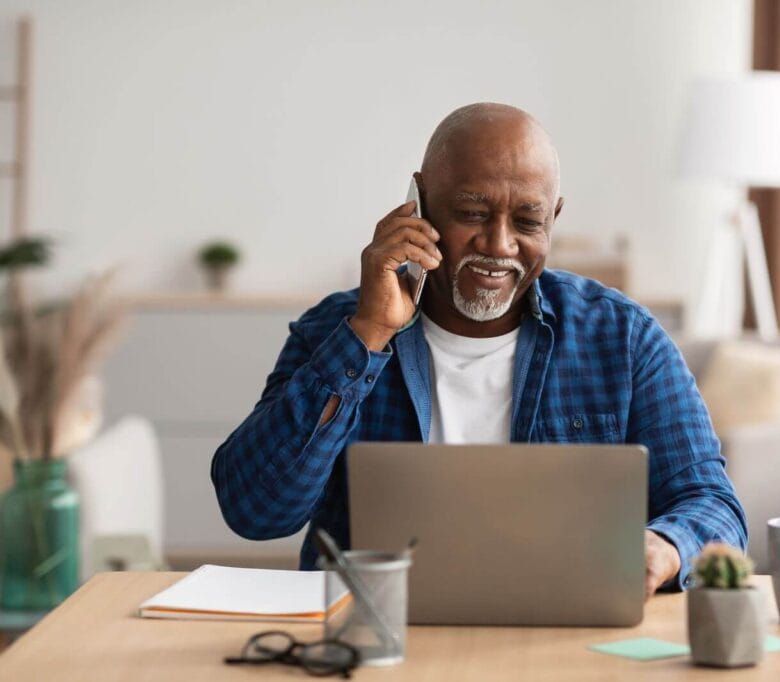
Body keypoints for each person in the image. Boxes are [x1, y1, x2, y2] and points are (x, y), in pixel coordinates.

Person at [211, 102, 747, 597]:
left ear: (553, 218)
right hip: (375, 635)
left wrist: (666, 546)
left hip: (560, 636)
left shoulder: (622, 338)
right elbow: (255, 512)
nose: (499, 244)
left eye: (527, 221)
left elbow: (713, 504)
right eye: (472, 212)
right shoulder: (336, 330)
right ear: (417, 205)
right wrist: (368, 333)